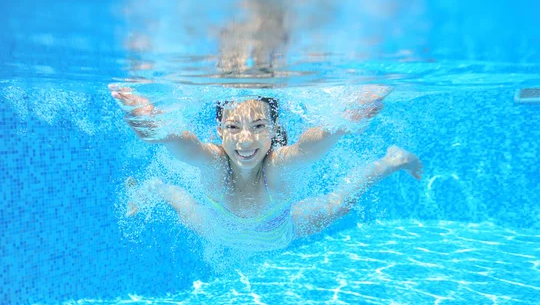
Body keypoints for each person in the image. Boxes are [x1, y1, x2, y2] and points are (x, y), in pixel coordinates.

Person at [110, 84, 423, 252]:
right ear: (220, 130)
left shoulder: (276, 167)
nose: (245, 140)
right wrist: (159, 129)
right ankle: (149, 189)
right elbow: (188, 148)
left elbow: (305, 148)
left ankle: (393, 159)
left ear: (274, 128)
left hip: (279, 233)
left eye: (258, 125)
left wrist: (341, 123)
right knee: (178, 201)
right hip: (218, 230)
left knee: (336, 205)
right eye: (233, 126)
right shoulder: (217, 165)